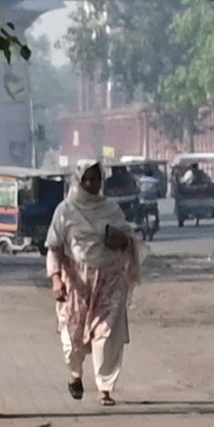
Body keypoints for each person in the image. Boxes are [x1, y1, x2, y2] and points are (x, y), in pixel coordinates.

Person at [46, 157, 146, 402]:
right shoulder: (66, 211)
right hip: (76, 284)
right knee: (73, 336)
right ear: (79, 180)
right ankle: (75, 374)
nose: (91, 183)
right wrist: (56, 280)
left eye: (96, 178)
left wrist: (121, 240)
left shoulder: (111, 208)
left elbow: (129, 239)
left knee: (106, 335)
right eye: (86, 179)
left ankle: (104, 388)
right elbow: (54, 247)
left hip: (109, 281)